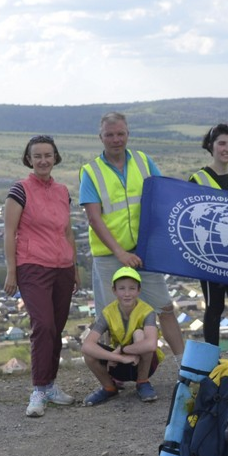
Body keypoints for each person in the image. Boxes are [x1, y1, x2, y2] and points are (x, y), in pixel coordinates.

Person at [79, 111, 185, 362]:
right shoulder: (91, 172)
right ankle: (116, 372)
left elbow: (163, 195)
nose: (116, 139)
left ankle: (184, 365)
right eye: (110, 135)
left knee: (165, 308)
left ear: (128, 134)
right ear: (100, 137)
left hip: (144, 252)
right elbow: (94, 218)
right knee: (110, 317)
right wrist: (120, 253)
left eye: (121, 134)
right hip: (109, 257)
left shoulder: (143, 161)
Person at [3, 135, 79, 417]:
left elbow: (67, 232)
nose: (43, 160)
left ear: (55, 157)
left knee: (56, 328)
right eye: (38, 156)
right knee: (43, 325)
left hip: (63, 267)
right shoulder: (20, 190)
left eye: (48, 155)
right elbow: (9, 232)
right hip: (32, 266)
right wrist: (12, 271)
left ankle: (50, 385)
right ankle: (38, 390)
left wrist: (75, 268)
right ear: (29, 159)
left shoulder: (62, 191)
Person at [188, 123, 228, 356]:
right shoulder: (197, 179)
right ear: (211, 146)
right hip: (211, 256)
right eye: (222, 143)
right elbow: (192, 220)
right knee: (214, 308)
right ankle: (211, 363)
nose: (227, 148)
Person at [80, 267, 162, 405]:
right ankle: (109, 388)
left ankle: (142, 382)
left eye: (132, 288)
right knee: (89, 352)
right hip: (118, 364)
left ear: (139, 290)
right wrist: (118, 357)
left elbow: (151, 344)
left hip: (144, 363)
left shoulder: (147, 311)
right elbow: (87, 345)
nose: (127, 294)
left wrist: (122, 350)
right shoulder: (108, 313)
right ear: (114, 290)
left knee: (140, 334)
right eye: (122, 288)